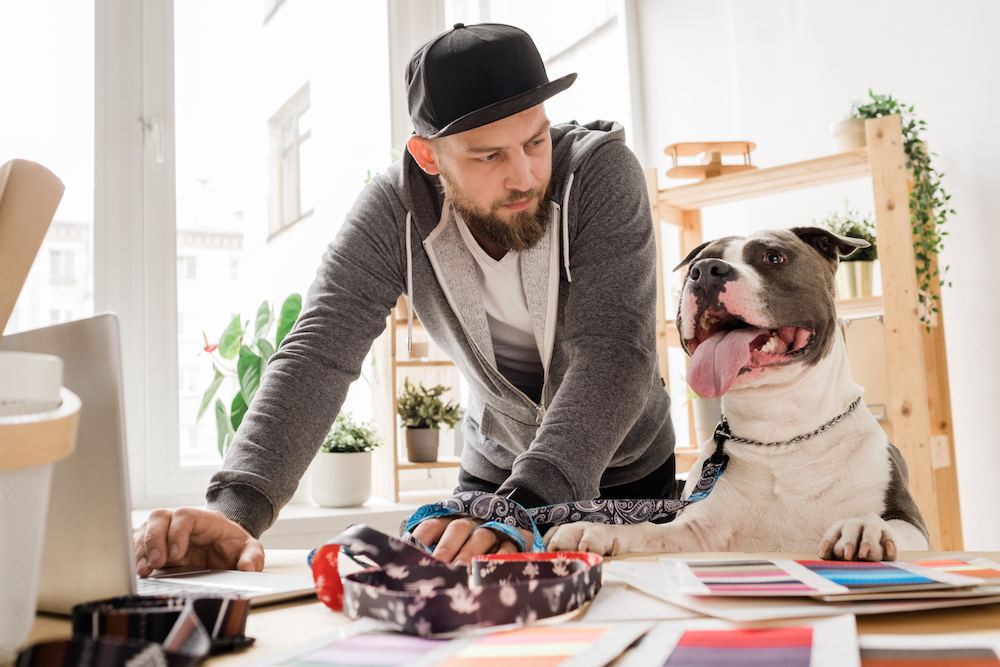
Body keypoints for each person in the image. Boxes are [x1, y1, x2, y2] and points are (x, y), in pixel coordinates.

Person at [134, 22, 675, 574]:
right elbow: (319, 351)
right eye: (488, 157)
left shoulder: (600, 175)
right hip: (496, 481)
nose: (524, 176)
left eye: (535, 141)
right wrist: (237, 509)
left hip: (626, 474)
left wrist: (524, 509)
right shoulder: (393, 212)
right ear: (427, 156)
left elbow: (613, 350)